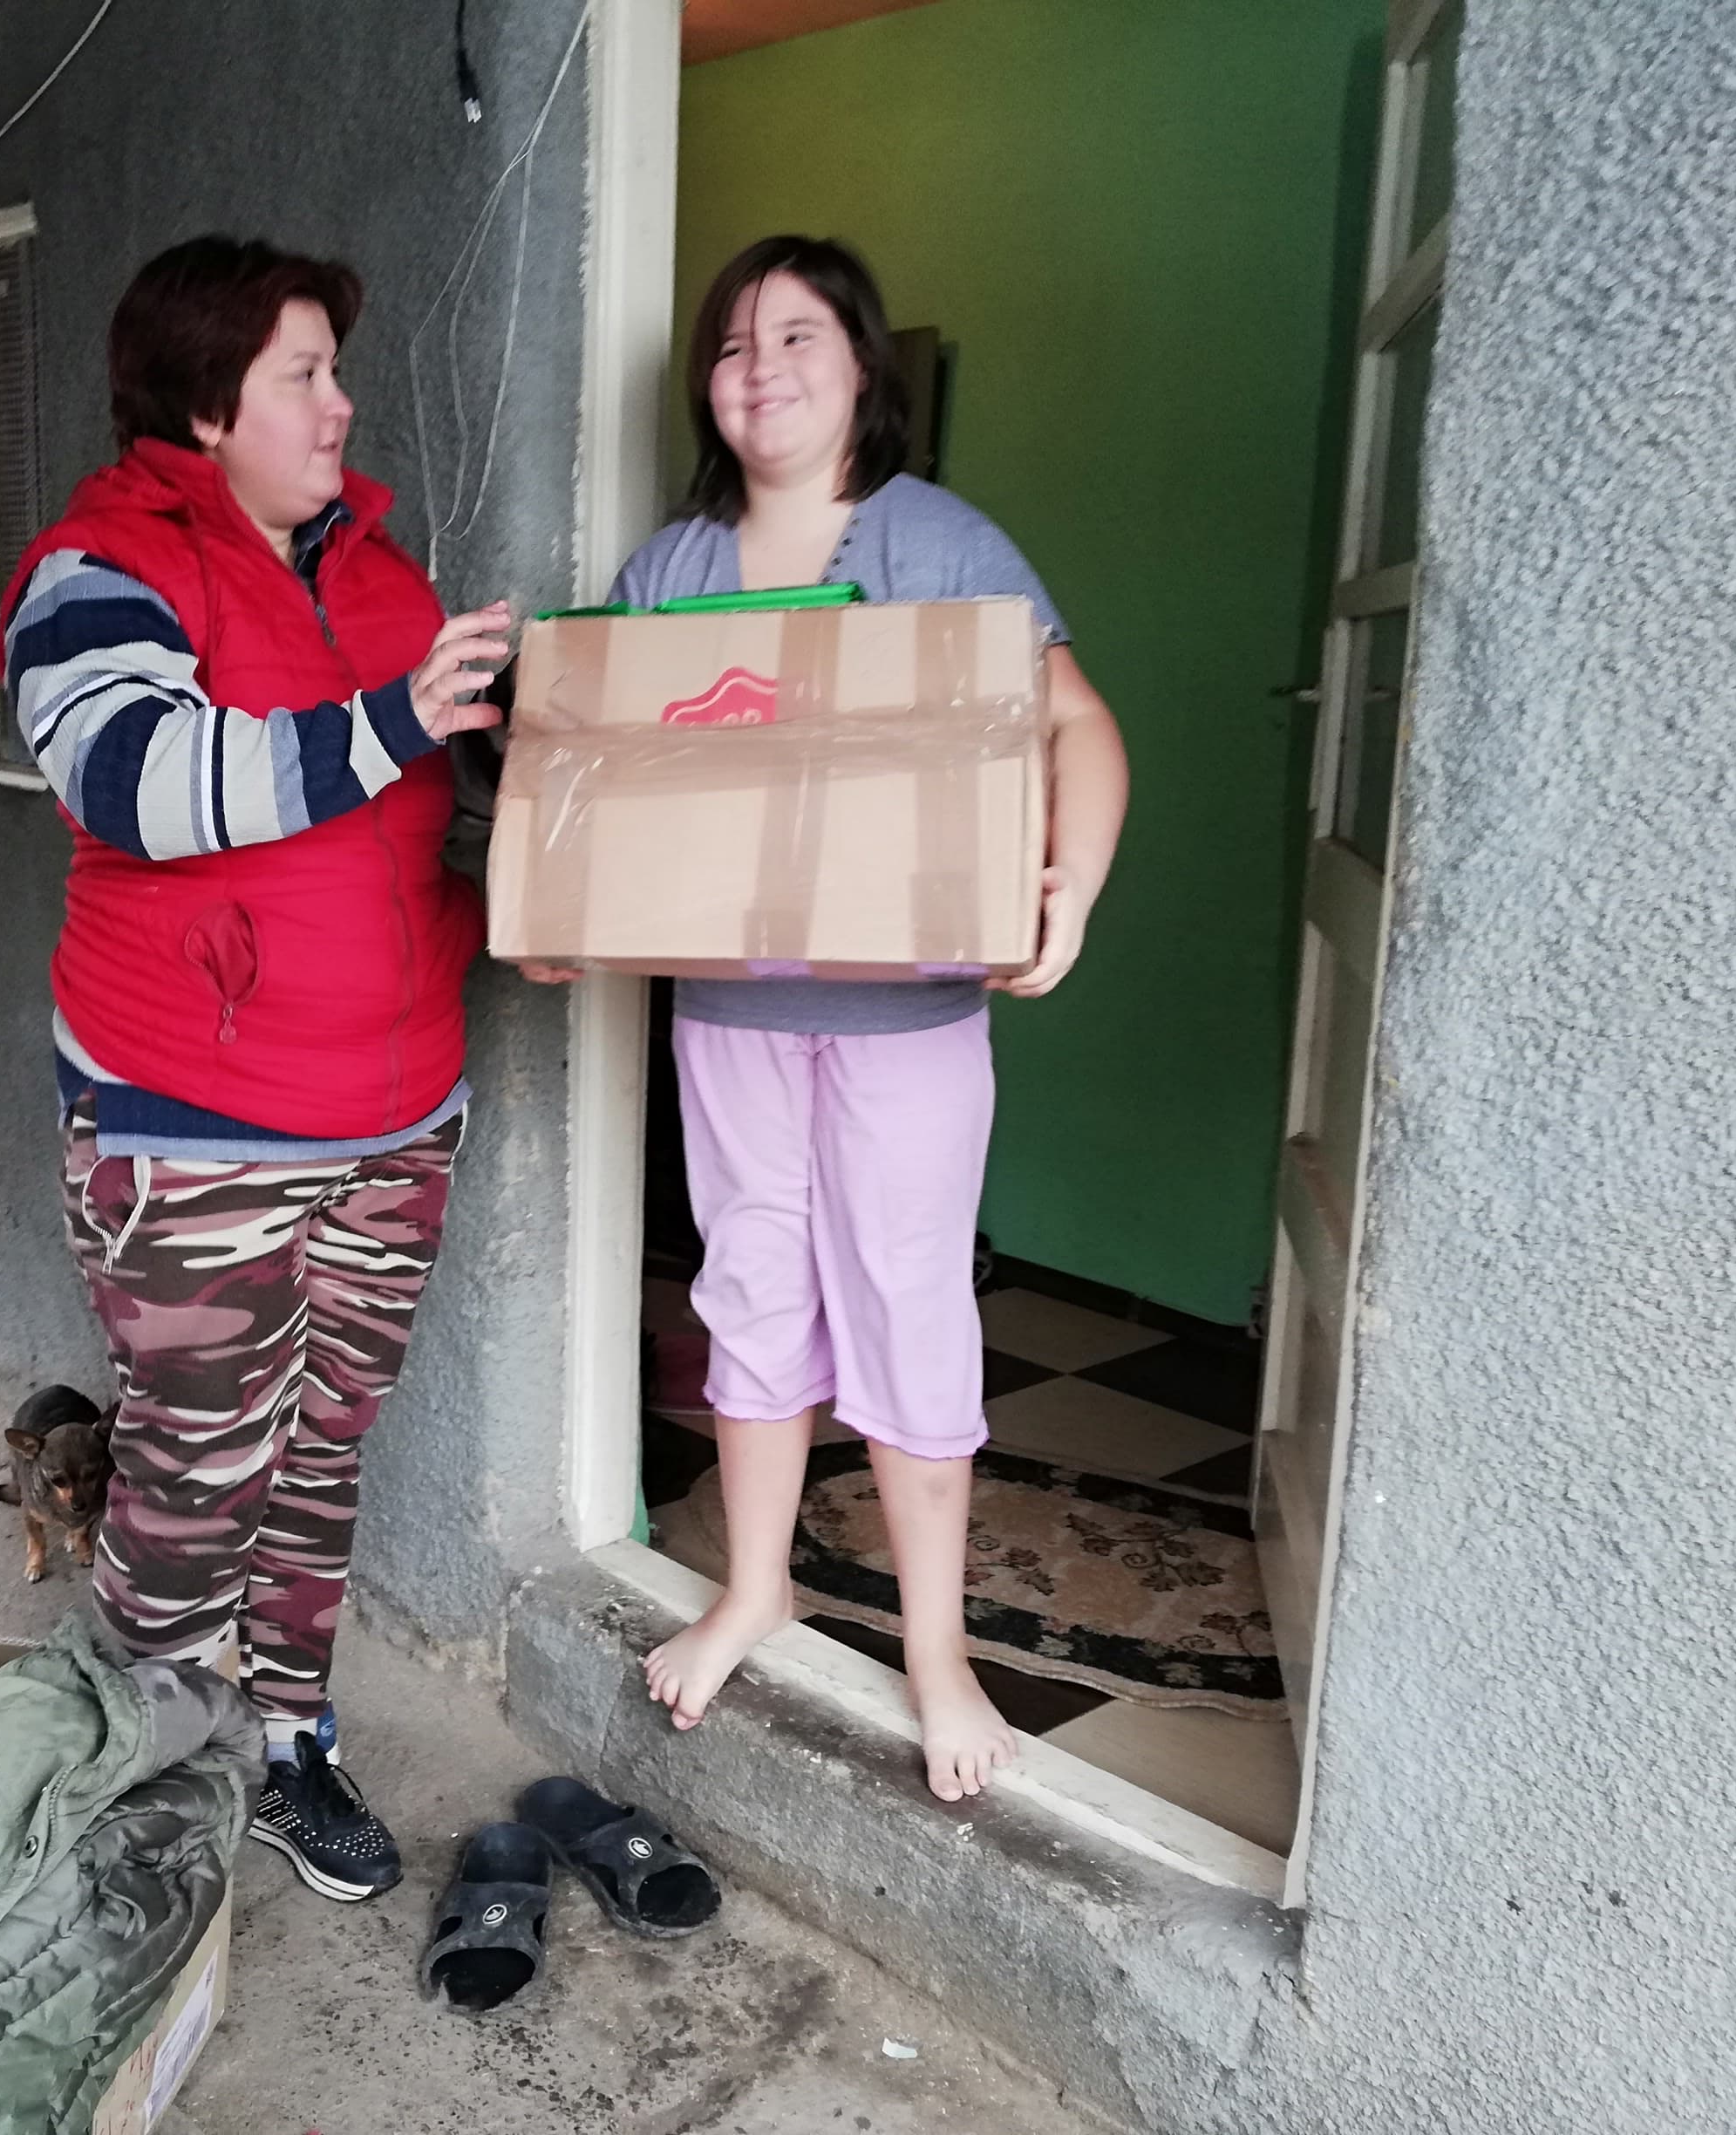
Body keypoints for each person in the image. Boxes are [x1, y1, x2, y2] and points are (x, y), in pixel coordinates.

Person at [569, 235, 1130, 1803]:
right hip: (730, 1014)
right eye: (733, 344)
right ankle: (756, 1589)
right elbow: (596, 779)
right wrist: (560, 911)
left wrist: (1070, 888)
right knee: (750, 1287)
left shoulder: (937, 547)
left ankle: (938, 1654)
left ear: (863, 368)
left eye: (797, 338)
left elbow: (1078, 725)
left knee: (906, 1302)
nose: (761, 370)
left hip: (908, 1025)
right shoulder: (672, 574)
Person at [0, 235, 508, 1900]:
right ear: (208, 403)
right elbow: (136, 779)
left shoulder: (382, 574)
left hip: (397, 1111)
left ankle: (286, 1741)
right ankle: (132, 1778)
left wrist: (544, 812)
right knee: (200, 1468)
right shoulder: (100, 566)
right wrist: (396, 717)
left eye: (333, 371)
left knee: (318, 1450)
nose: (340, 403)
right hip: (194, 1120)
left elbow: (436, 804)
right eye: (304, 374)